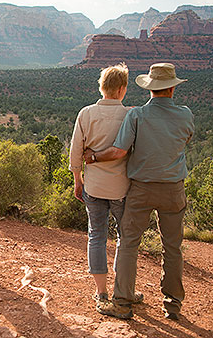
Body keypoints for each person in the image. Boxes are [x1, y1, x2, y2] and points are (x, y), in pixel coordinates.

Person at [85, 63, 194, 321]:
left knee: (129, 244)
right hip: (173, 190)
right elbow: (185, 140)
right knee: (173, 247)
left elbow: (119, 152)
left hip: (141, 190)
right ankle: (173, 304)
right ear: (172, 89)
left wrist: (93, 158)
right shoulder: (186, 114)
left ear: (150, 88)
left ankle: (122, 302)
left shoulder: (137, 116)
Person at [69, 63, 143, 307]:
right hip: (121, 188)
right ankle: (123, 291)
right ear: (122, 89)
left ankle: (101, 293)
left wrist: (78, 181)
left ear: (102, 87)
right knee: (125, 238)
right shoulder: (130, 115)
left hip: (94, 186)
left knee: (96, 236)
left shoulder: (86, 113)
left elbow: (76, 152)